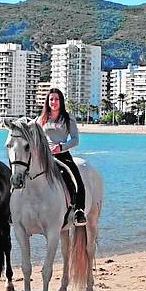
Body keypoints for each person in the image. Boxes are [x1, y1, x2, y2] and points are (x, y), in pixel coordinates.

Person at [35, 88, 87, 226]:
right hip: (45, 156)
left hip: (63, 155)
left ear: (61, 101)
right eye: (51, 99)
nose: (54, 102)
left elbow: (75, 140)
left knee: (77, 181)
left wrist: (61, 147)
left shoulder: (68, 118)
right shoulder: (41, 119)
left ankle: (79, 211)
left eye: (57, 99)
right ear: (47, 101)